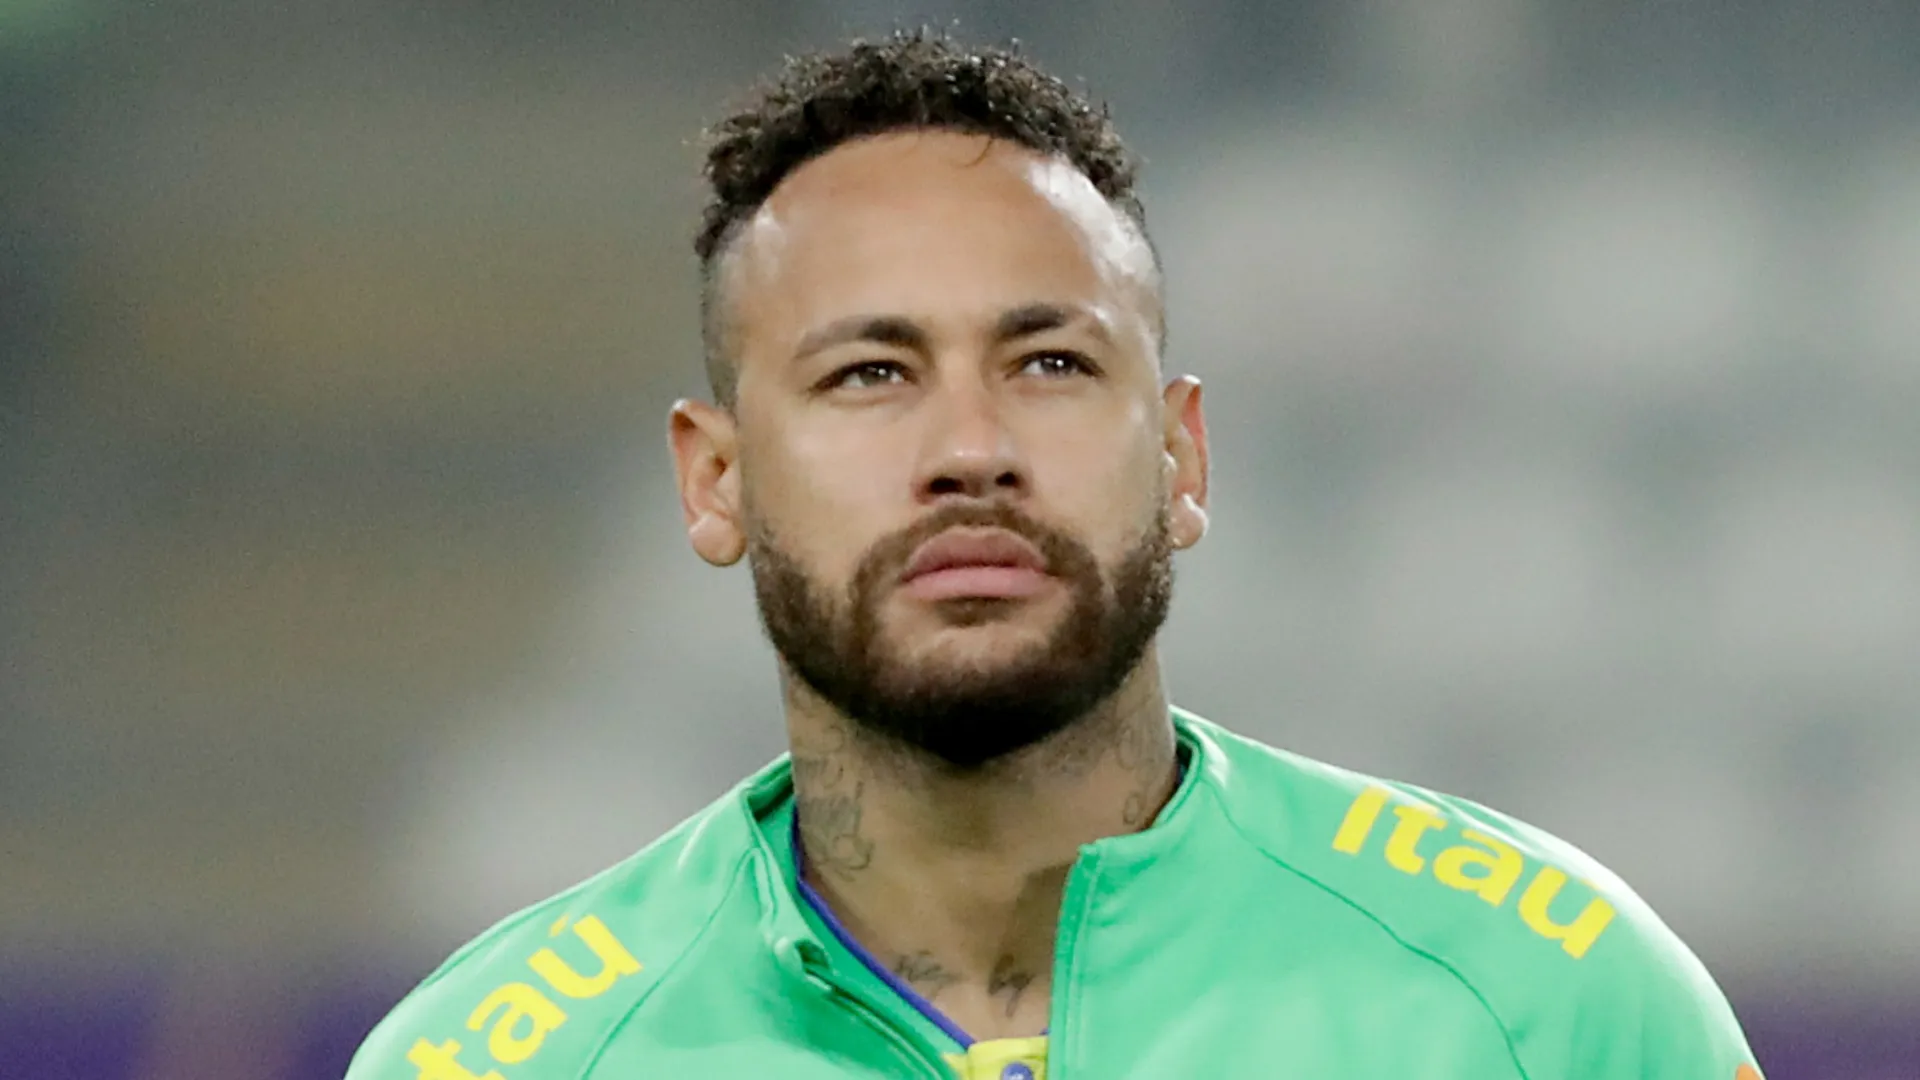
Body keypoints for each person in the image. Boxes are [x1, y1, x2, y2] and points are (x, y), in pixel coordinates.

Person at [346, 30, 1763, 1080]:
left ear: (1183, 455)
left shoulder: (1544, 1003)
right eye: (867, 375)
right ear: (714, 480)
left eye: (1049, 361)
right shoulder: (490, 1060)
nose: (972, 446)